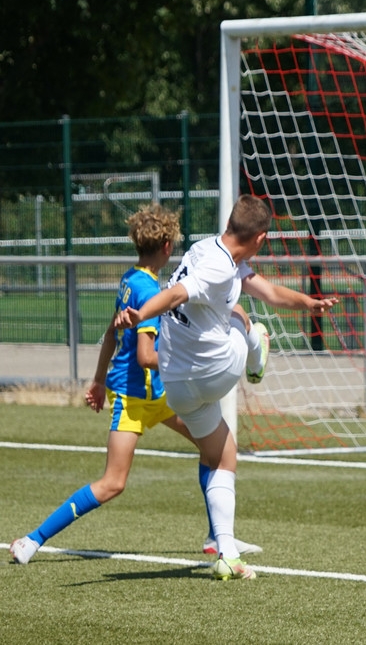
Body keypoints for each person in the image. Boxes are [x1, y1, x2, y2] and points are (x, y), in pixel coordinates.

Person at [8, 205, 263, 567]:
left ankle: (217, 538)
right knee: (113, 483)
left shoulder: (130, 279)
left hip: (157, 395)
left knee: (214, 453)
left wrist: (99, 380)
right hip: (136, 397)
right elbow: (145, 355)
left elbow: (112, 332)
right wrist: (188, 363)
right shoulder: (148, 291)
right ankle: (33, 539)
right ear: (166, 246)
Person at [111, 194, 336, 580]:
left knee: (223, 456)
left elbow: (268, 290)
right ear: (261, 238)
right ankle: (256, 353)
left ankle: (227, 554)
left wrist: (307, 303)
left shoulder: (206, 249)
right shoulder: (218, 267)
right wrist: (140, 314)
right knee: (241, 315)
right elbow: (176, 294)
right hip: (215, 370)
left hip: (177, 385)